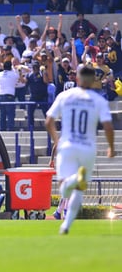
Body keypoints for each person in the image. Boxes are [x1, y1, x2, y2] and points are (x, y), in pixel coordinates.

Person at [45, 66, 115, 235]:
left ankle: (66, 221)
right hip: (87, 149)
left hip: (68, 146)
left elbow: (49, 121)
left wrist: (56, 140)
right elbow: (108, 126)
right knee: (79, 189)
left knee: (64, 189)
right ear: (93, 81)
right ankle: (66, 225)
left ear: (77, 78)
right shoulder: (99, 100)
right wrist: (111, 147)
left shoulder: (65, 96)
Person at [0, 61, 19, 131]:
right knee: (10, 113)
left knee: (2, 113)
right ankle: (10, 129)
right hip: (9, 95)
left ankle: (2, 129)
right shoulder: (14, 74)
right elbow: (18, 79)